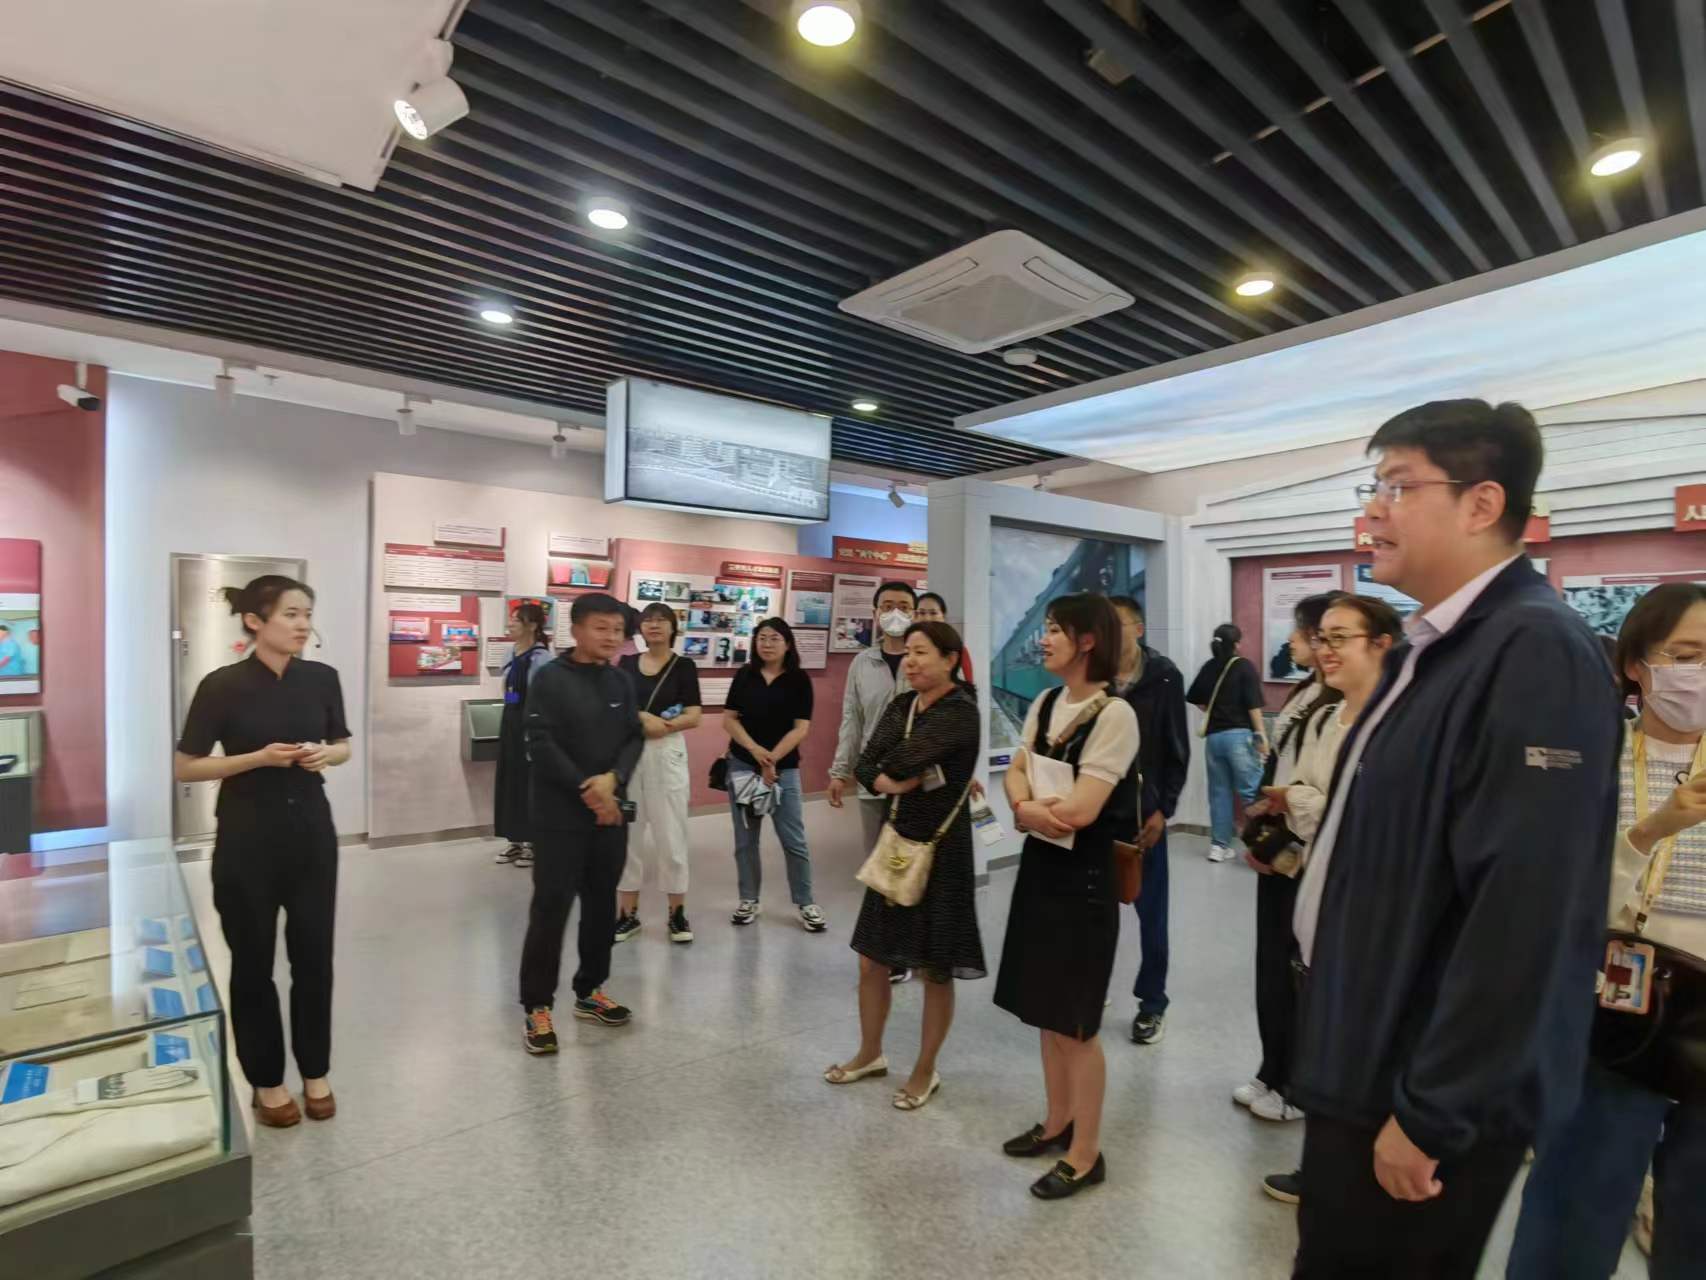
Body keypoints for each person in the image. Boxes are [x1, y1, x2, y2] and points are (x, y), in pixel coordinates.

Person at [1287, 401, 1621, 1277]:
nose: (1373, 510)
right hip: (1369, 1043)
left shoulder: (1536, 650)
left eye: (1398, 486)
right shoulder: (1432, 648)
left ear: (1482, 504)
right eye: (1373, 487)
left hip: (1421, 1083)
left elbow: (1527, 907)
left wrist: (1438, 1109)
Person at [1509, 582, 1706, 1278]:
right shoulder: (1590, 758)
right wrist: (1652, 830)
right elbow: (1554, 894)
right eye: (1687, 655)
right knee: (1576, 1202)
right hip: (1617, 1002)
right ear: (1636, 665)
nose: (1701, 674)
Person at [173, 576, 350, 1127]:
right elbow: (186, 767)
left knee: (314, 958)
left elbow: (343, 744)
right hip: (246, 838)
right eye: (291, 614)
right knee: (252, 963)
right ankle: (267, 1081)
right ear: (255, 621)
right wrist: (255, 759)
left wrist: (326, 755)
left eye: (307, 614)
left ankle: (316, 1071)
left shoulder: (322, 678)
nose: (303, 625)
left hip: (312, 835)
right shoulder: (221, 685)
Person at [1248, 596, 1401, 1203]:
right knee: (1320, 1031)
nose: (1326, 650)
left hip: (1370, 905)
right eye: (1322, 637)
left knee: (1363, 1045)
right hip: (1316, 892)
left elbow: (1348, 810)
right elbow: (1312, 801)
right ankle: (1324, 1167)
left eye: (1341, 638)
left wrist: (1305, 800)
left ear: (1383, 644)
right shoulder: (1325, 717)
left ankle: (1357, 1177)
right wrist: (1304, 802)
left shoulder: (1397, 726)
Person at [995, 593, 1140, 1200]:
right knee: (1046, 1011)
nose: (1044, 638)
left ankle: (1086, 1153)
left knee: (1076, 1023)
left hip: (1084, 883)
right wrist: (1030, 807)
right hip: (1043, 870)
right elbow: (1015, 770)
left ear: (1087, 641)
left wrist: (1027, 810)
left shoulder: (1116, 715)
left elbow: (1082, 811)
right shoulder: (1048, 702)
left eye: (1055, 629)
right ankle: (1056, 1122)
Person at [825, 621, 986, 1109]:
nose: (910, 661)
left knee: (936, 968)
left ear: (950, 660)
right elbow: (870, 764)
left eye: (921, 652)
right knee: (871, 956)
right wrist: (889, 780)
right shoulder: (902, 705)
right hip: (897, 842)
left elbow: (901, 759)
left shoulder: (961, 711)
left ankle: (924, 1069)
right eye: (908, 652)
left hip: (942, 848)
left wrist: (891, 773)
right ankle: (870, 1053)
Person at [1236, 592, 1346, 1125]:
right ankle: (1273, 1066)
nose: (1299, 644)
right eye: (1316, 636)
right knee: (1272, 967)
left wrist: (1285, 825)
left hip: (1306, 852)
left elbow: (1323, 794)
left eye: (1305, 634)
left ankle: (1296, 1082)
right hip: (1282, 846)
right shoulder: (1308, 693)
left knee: (1296, 970)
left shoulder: (1342, 708)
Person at [517, 592, 644, 1055]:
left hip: (610, 814)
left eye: (617, 629)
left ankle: (590, 990)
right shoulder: (550, 678)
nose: (611, 637)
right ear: (576, 630)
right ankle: (536, 1005)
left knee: (600, 905)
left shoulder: (620, 681)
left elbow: (633, 737)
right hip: (559, 815)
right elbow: (540, 742)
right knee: (550, 908)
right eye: (600, 627)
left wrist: (614, 780)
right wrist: (587, 789)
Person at [1106, 595, 1189, 1047]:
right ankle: (1090, 989)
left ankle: (1152, 1003)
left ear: (1138, 628)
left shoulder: (1164, 675)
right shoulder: (1094, 675)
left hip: (1144, 817)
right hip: (1098, 815)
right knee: (1095, 917)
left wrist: (1164, 810)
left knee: (1152, 918)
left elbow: (1177, 749)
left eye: (1116, 623)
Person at [724, 617, 827, 932]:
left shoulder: (799, 680)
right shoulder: (745, 675)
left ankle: (805, 902)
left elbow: (801, 728)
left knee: (793, 839)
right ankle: (748, 899)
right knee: (745, 840)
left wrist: (772, 759)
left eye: (774, 638)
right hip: (743, 765)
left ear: (788, 644)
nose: (767, 644)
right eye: (762, 638)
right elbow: (729, 720)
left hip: (784, 770)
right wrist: (756, 751)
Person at [615, 603, 702, 945]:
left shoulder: (684, 666)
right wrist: (642, 719)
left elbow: (694, 715)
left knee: (672, 838)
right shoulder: (625, 664)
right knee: (628, 838)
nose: (653, 625)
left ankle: (677, 914)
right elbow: (616, 706)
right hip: (630, 753)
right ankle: (627, 914)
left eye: (661, 620)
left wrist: (662, 726)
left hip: (667, 751)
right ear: (640, 627)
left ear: (672, 627)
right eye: (648, 620)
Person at [1187, 622, 1267, 862]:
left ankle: (1218, 847)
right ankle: (1262, 847)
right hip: (1239, 737)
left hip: (1214, 739)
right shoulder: (1244, 666)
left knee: (1219, 793)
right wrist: (1261, 736)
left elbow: (1196, 698)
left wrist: (1215, 710)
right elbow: (1253, 705)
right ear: (1237, 644)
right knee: (1252, 793)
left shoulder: (1209, 667)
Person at [493, 602, 553, 868]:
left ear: (532, 625)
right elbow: (508, 691)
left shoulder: (543, 658)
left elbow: (545, 700)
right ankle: (514, 840)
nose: (510, 624)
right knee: (510, 782)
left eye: (516, 620)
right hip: (510, 723)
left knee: (530, 784)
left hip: (531, 726)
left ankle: (533, 843)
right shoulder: (510, 652)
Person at [916, 591, 975, 684]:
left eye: (933, 613)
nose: (927, 618)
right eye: (922, 613)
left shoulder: (959, 651)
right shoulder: (907, 650)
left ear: (943, 616)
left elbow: (969, 687)